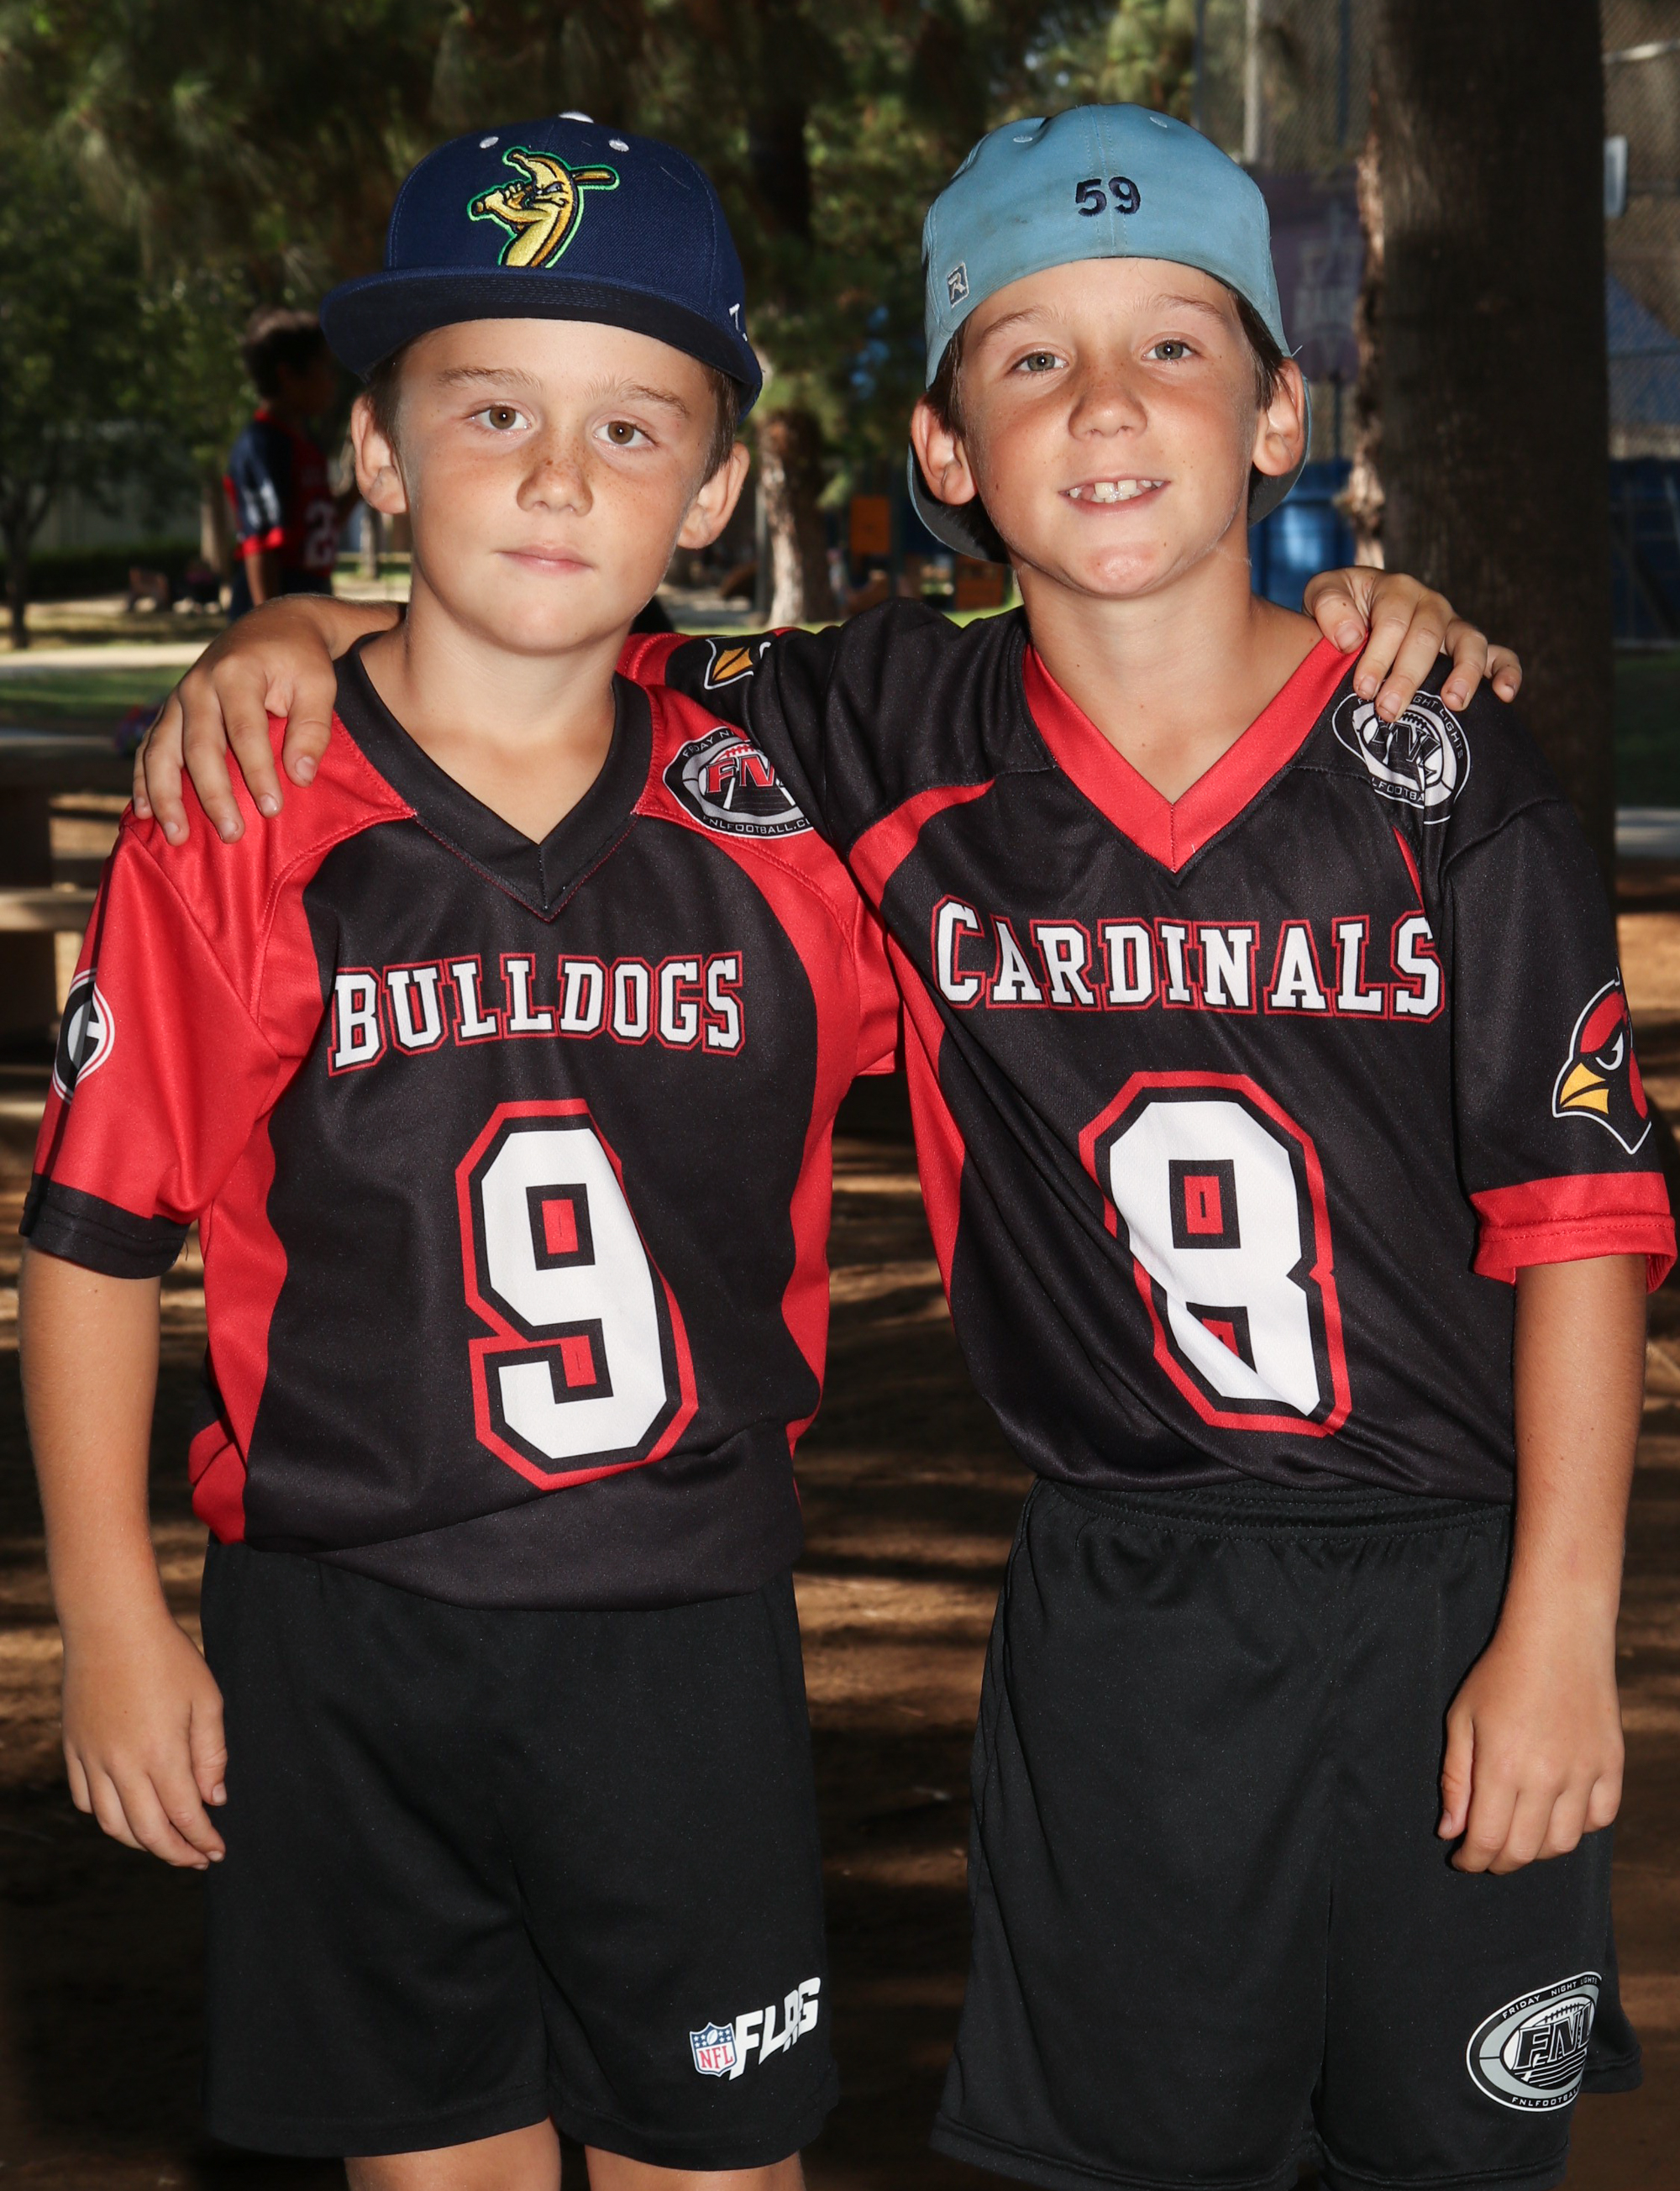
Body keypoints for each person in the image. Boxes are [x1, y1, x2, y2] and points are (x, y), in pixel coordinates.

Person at [142, 105, 1672, 2191]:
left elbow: (1577, 1217)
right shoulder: (877, 728)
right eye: (1030, 356)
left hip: (1449, 1582)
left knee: (1448, 2155)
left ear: (1279, 415)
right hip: (1118, 1590)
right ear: (945, 450)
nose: (1106, 403)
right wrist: (294, 629)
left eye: (1173, 346)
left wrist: (1562, 1627)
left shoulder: (1436, 764)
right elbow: (541, 628)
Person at [19, 117, 906, 2190]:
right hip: (339, 1624)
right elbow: (94, 1237)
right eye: (493, 410)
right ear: (379, 451)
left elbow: (1098, 695)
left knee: (716, 2164)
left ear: (712, 488)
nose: (556, 477)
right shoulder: (245, 813)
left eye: (628, 427)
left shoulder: (789, 818)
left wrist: (1363, 611)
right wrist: (113, 1618)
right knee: (433, 2168)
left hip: (679, 1616)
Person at [224, 307, 358, 617]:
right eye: (324, 367)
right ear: (287, 375)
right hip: (275, 611)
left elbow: (318, 529)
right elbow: (261, 547)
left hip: (309, 600)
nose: (333, 380)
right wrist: (272, 626)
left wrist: (357, 489)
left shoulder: (306, 441)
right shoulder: (262, 445)